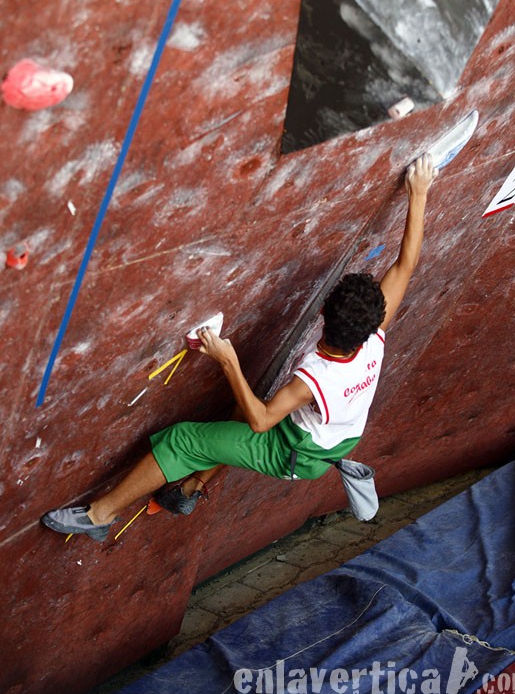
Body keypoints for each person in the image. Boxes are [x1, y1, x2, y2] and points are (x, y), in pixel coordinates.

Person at [42, 154, 436, 541]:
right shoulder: (372, 336)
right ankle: (189, 490)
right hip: (333, 437)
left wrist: (227, 360)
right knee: (237, 416)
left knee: (186, 440)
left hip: (291, 451)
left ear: (323, 313)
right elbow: (405, 265)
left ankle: (99, 517)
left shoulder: (314, 378)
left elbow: (262, 422)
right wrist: (417, 194)